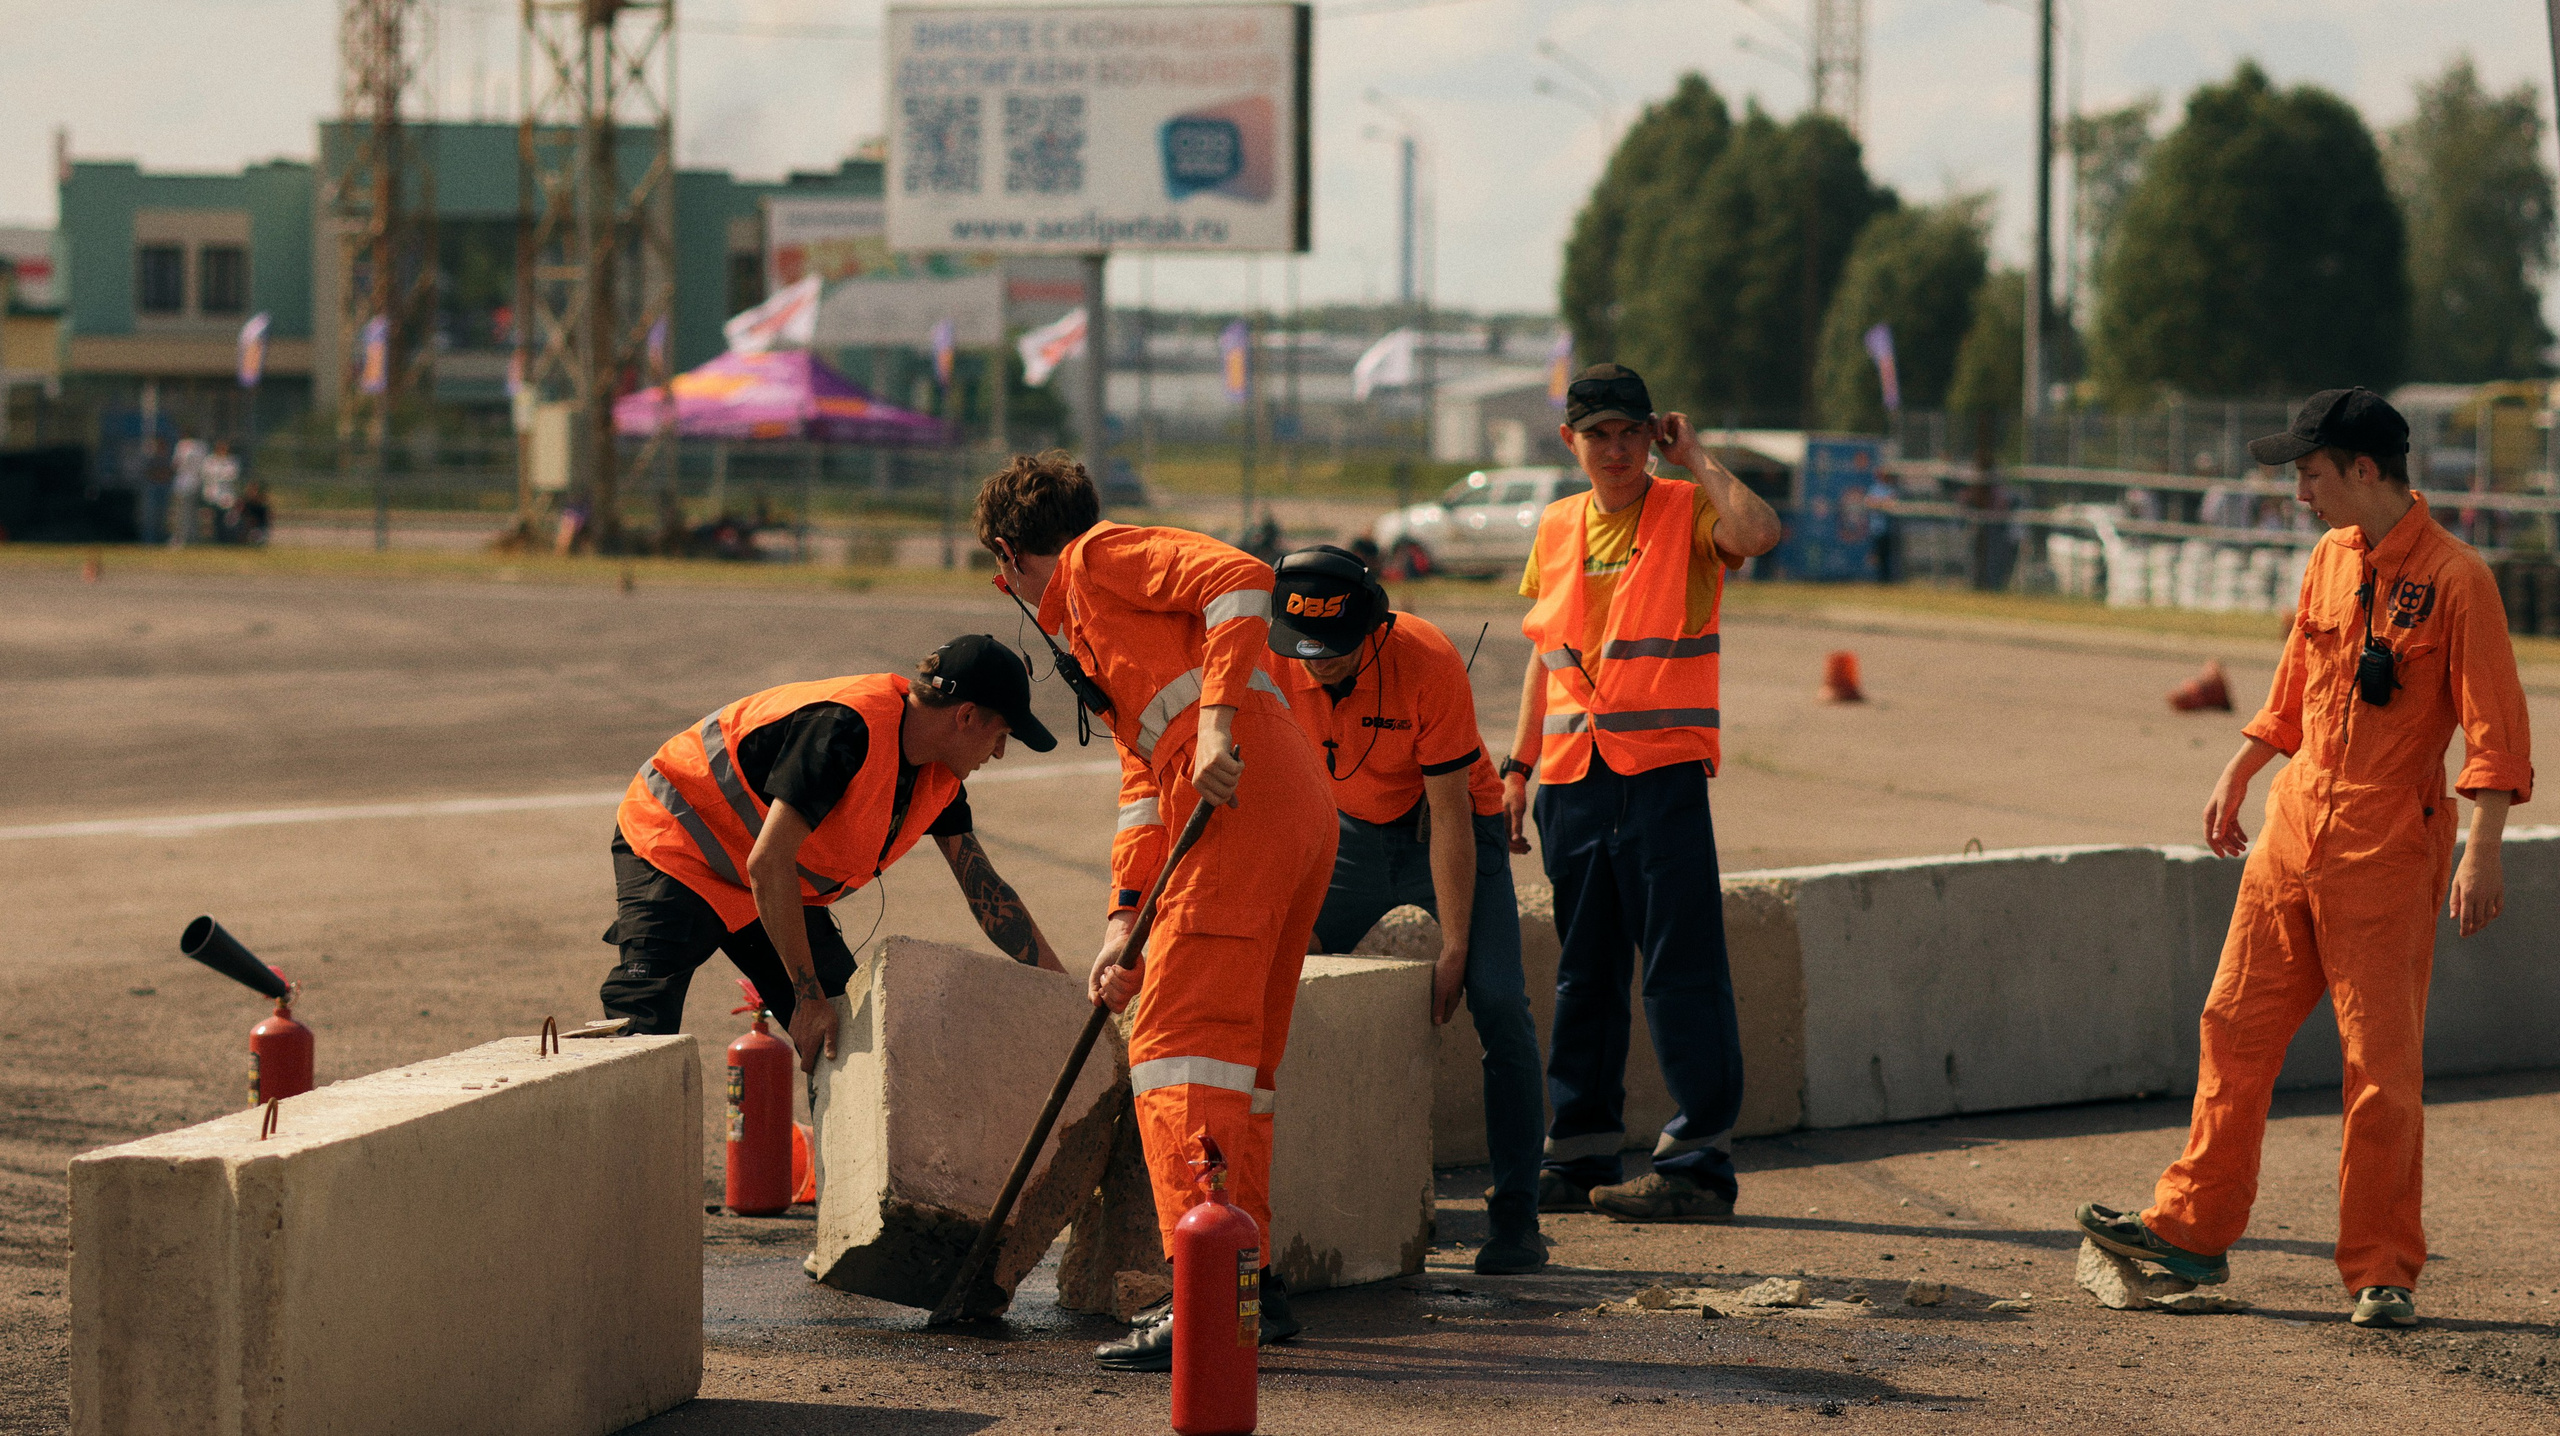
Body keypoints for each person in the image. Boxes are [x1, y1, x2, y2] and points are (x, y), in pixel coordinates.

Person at [2077, 388, 2533, 1331]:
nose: (2300, 494)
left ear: (2364, 471)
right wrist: (2240, 767)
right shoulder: (2328, 561)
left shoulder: (2458, 580)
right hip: (2291, 836)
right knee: (2232, 1028)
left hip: (2386, 851)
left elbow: (2495, 731)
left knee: (2380, 1067)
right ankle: (2191, 1236)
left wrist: (2482, 850)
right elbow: (2294, 683)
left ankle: (2380, 1269)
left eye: (2310, 473)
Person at [974, 449, 1335, 1372]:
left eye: (998, 570)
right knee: (1238, 1066)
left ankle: (1204, 1294)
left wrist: (1216, 721)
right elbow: (1145, 789)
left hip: (1243, 803)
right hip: (1279, 813)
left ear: (1011, 553)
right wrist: (1122, 925)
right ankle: (1251, 1286)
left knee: (1175, 1051)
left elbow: (1244, 579)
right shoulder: (1098, 630)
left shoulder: (1098, 560)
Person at [1500, 364, 1782, 1222]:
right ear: (1571, 442)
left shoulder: (1684, 510)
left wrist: (1694, 458)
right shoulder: (1554, 528)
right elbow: (1543, 657)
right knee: (1582, 975)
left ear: (1652, 432)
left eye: (1631, 433)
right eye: (1600, 436)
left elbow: (1761, 533)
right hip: (1573, 780)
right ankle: (1581, 1149)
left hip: (1659, 775)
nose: (1617, 451)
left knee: (1679, 971)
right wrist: (1516, 770)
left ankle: (1697, 1164)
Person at [1266, 545, 1547, 1275]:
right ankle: (1272, 1201)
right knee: (1267, 976)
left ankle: (1517, 1214)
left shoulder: (1426, 658)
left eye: (1335, 647)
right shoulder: (1270, 659)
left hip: (1449, 825)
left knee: (1498, 1002)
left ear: (1375, 627)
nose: (1317, 661)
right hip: (1349, 837)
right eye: (1304, 646)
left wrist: (1454, 946)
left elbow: (1450, 815)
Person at [600, 635, 1064, 1069]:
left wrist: (1062, 992)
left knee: (847, 1034)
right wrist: (807, 998)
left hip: (767, 884)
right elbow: (769, 862)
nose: (1000, 752)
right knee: (643, 1033)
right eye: (1001, 733)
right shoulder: (845, 729)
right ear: (965, 717)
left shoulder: (937, 775)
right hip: (679, 846)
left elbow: (987, 892)